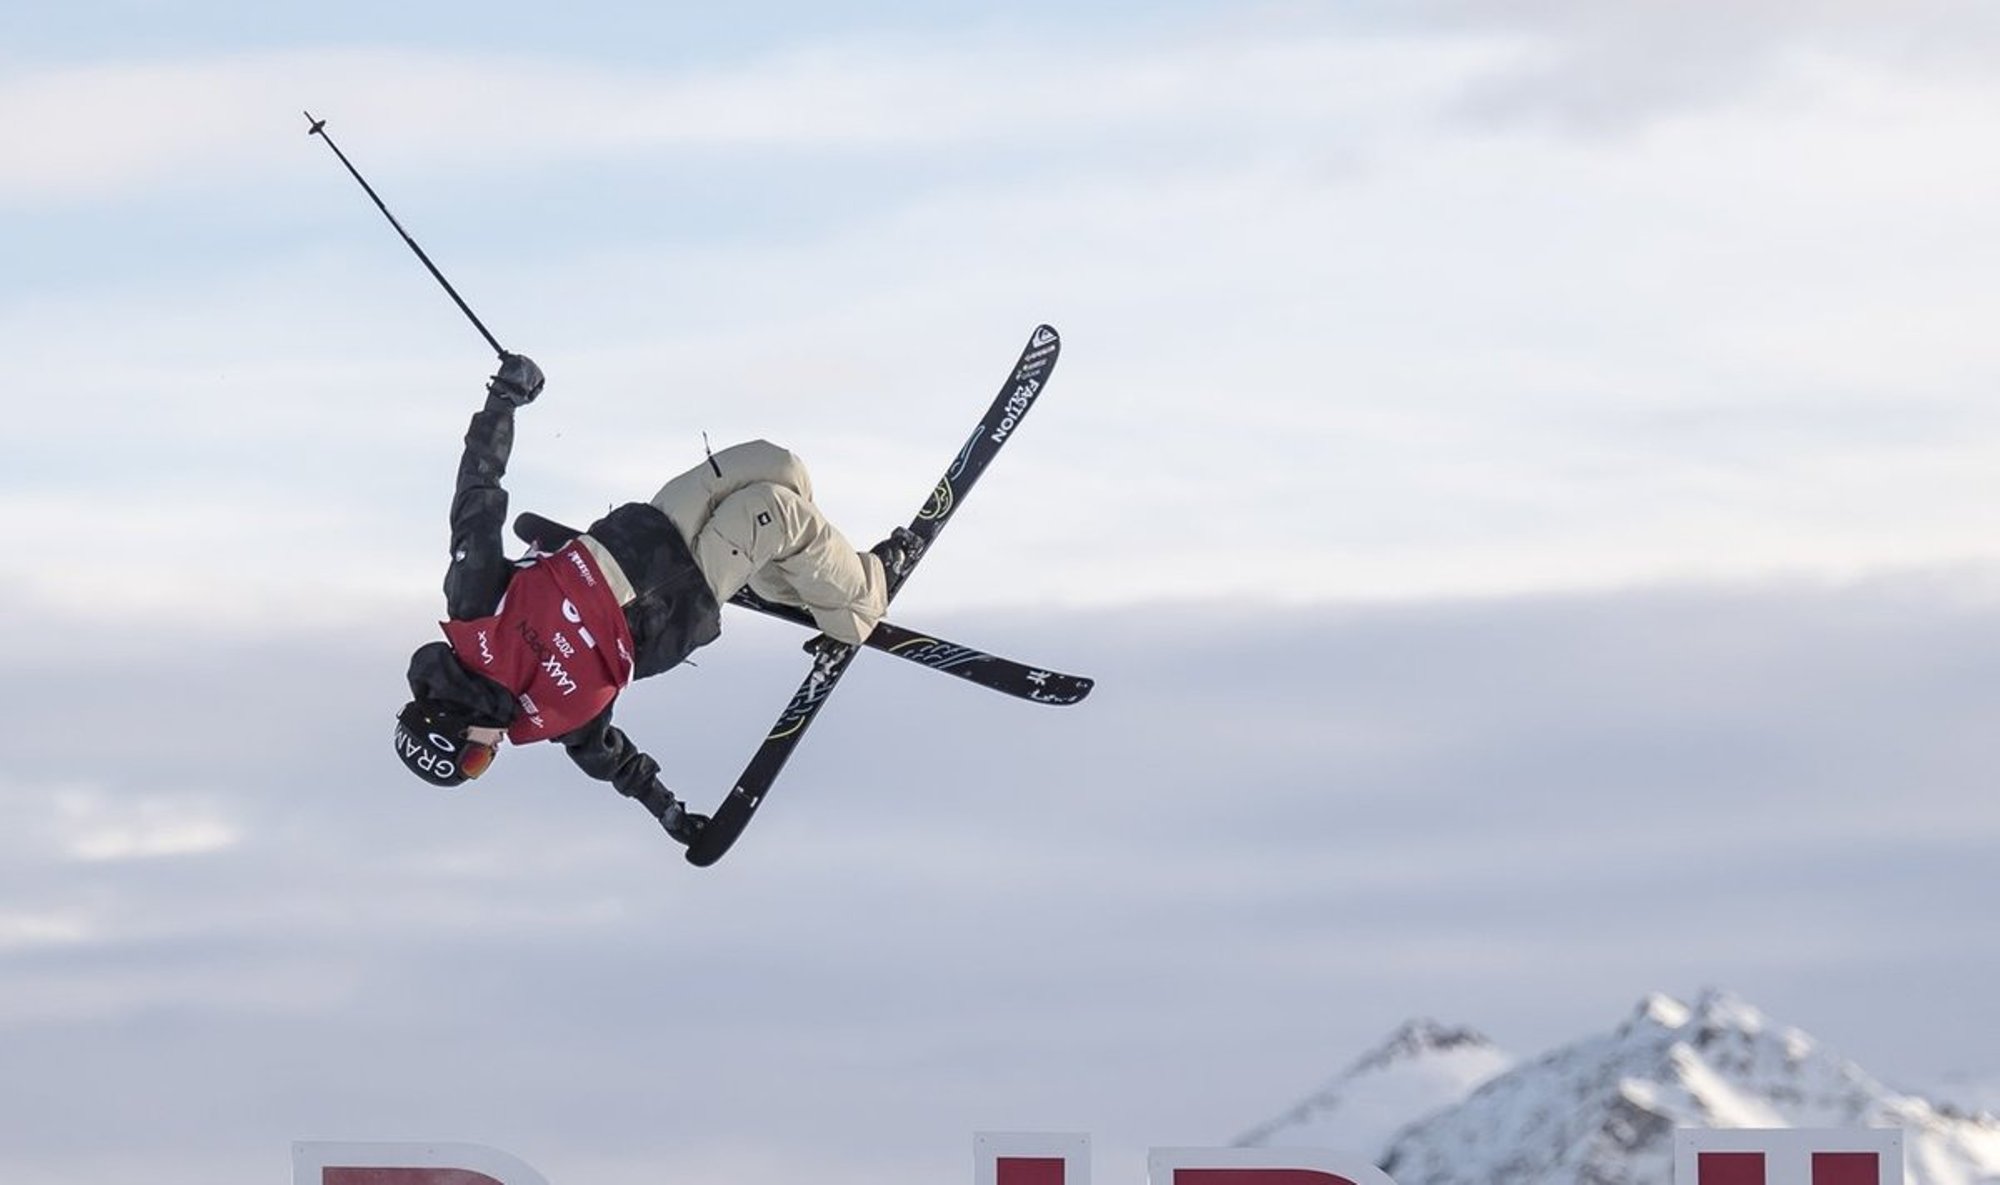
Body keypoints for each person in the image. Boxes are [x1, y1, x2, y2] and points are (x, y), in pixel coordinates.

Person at [392, 353, 914, 847]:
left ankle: (800, 580)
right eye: (481, 765)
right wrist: (670, 814)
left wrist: (503, 399)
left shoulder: (475, 612)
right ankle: (863, 599)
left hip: (642, 533)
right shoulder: (552, 718)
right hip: (679, 598)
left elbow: (476, 497)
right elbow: (617, 764)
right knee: (774, 512)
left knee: (778, 467)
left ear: (450, 724)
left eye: (477, 757)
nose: (493, 753)